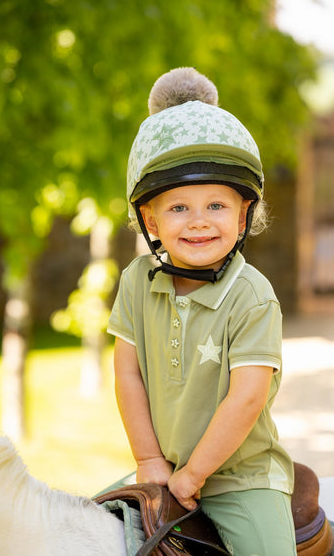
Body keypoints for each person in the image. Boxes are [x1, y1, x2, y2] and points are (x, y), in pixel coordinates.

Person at [108, 67, 297, 555]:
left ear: (244, 214)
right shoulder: (135, 282)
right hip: (162, 467)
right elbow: (128, 375)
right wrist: (149, 459)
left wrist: (194, 474)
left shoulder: (252, 296)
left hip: (240, 476)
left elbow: (246, 398)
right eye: (177, 209)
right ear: (149, 219)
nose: (198, 223)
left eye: (216, 205)